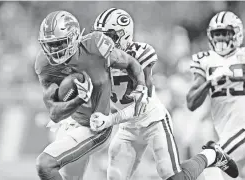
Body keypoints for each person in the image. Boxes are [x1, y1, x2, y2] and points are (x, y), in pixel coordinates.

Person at [90, 8, 239, 180]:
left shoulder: (140, 55)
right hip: (128, 126)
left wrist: (108, 120)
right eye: (99, 37)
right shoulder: (95, 62)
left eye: (109, 37)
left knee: (173, 177)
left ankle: (212, 155)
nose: (103, 43)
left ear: (124, 36)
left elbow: (139, 106)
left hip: (153, 121)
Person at [34, 10, 148, 180]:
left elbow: (131, 63)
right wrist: (79, 99)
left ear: (73, 37)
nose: (54, 50)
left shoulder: (96, 45)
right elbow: (55, 113)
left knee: (45, 165)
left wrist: (141, 86)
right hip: (69, 122)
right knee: (70, 177)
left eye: (60, 43)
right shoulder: (44, 64)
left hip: (96, 126)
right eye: (50, 44)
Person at [187, 11, 245, 179]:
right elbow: (191, 103)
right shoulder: (205, 60)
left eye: (225, 33)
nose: (220, 38)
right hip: (227, 131)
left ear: (237, 33)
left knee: (212, 158)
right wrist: (210, 82)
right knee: (217, 172)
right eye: (216, 34)